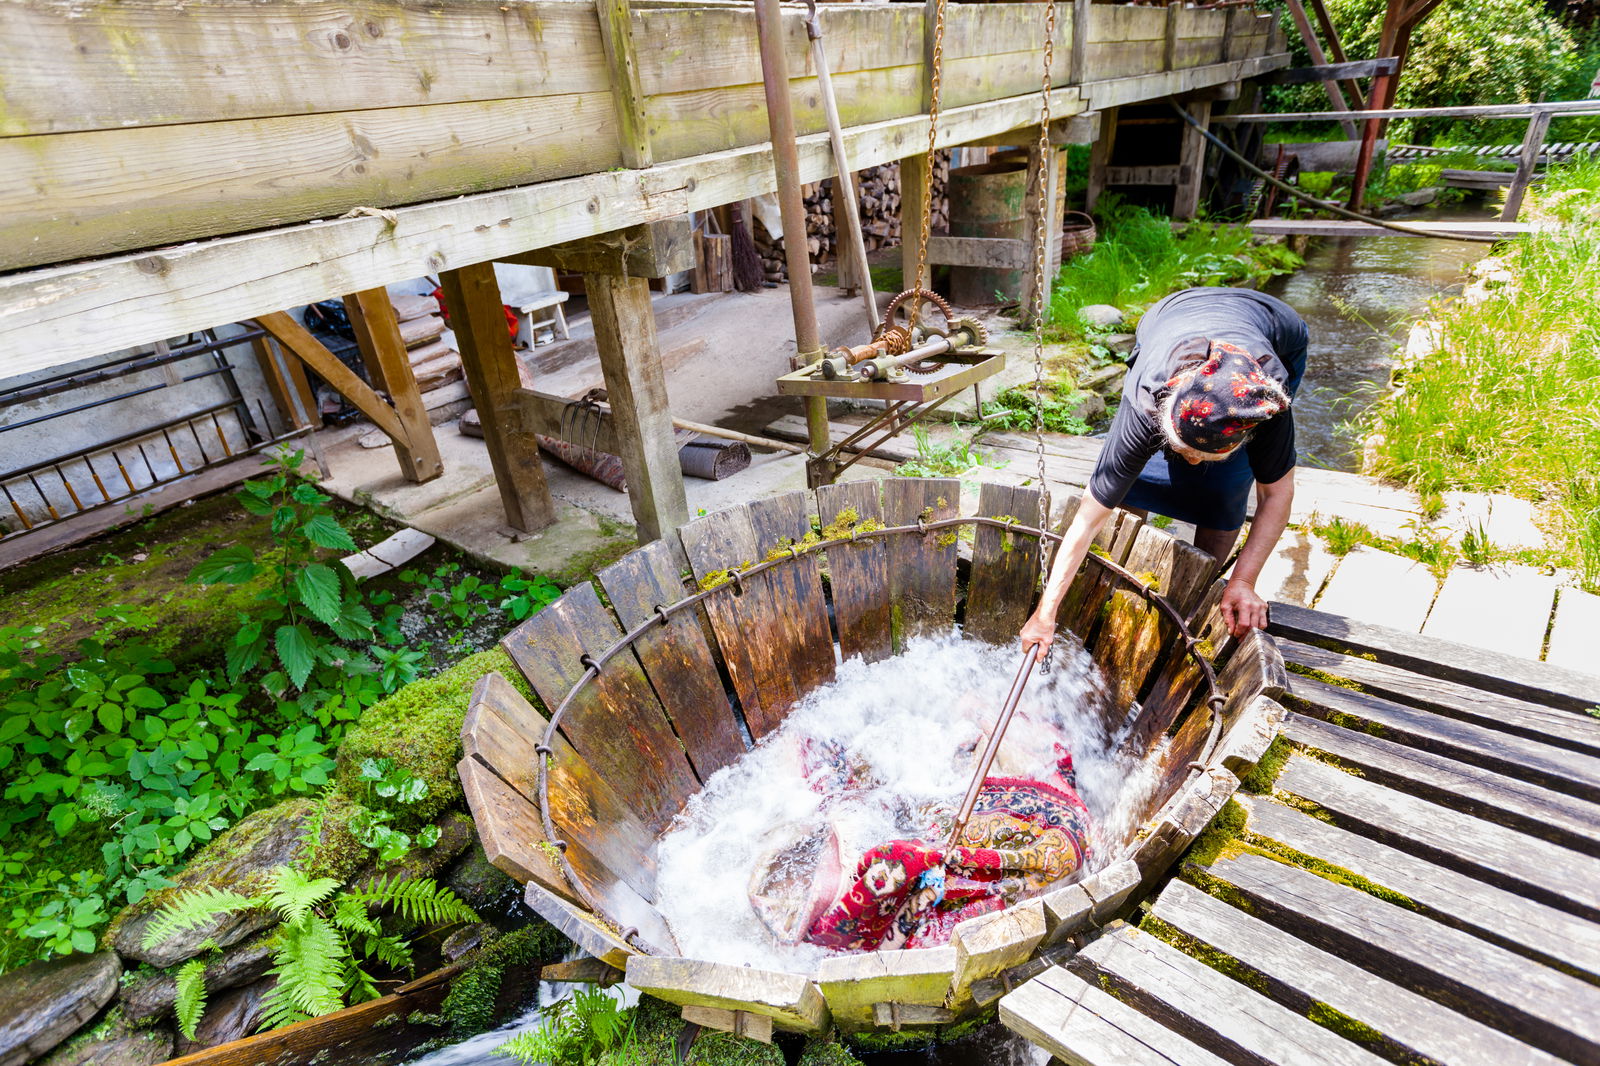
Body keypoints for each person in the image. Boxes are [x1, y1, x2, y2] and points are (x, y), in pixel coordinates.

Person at [1021, 286, 1308, 657]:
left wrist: (1245, 580)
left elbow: (1277, 493)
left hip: (1272, 326)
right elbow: (1089, 517)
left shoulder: (1267, 400)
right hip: (1172, 316)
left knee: (1227, 485)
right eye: (1183, 450)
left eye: (1202, 455)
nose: (1191, 462)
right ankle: (1123, 561)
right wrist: (1045, 614)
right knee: (1132, 478)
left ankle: (1203, 587)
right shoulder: (1147, 395)